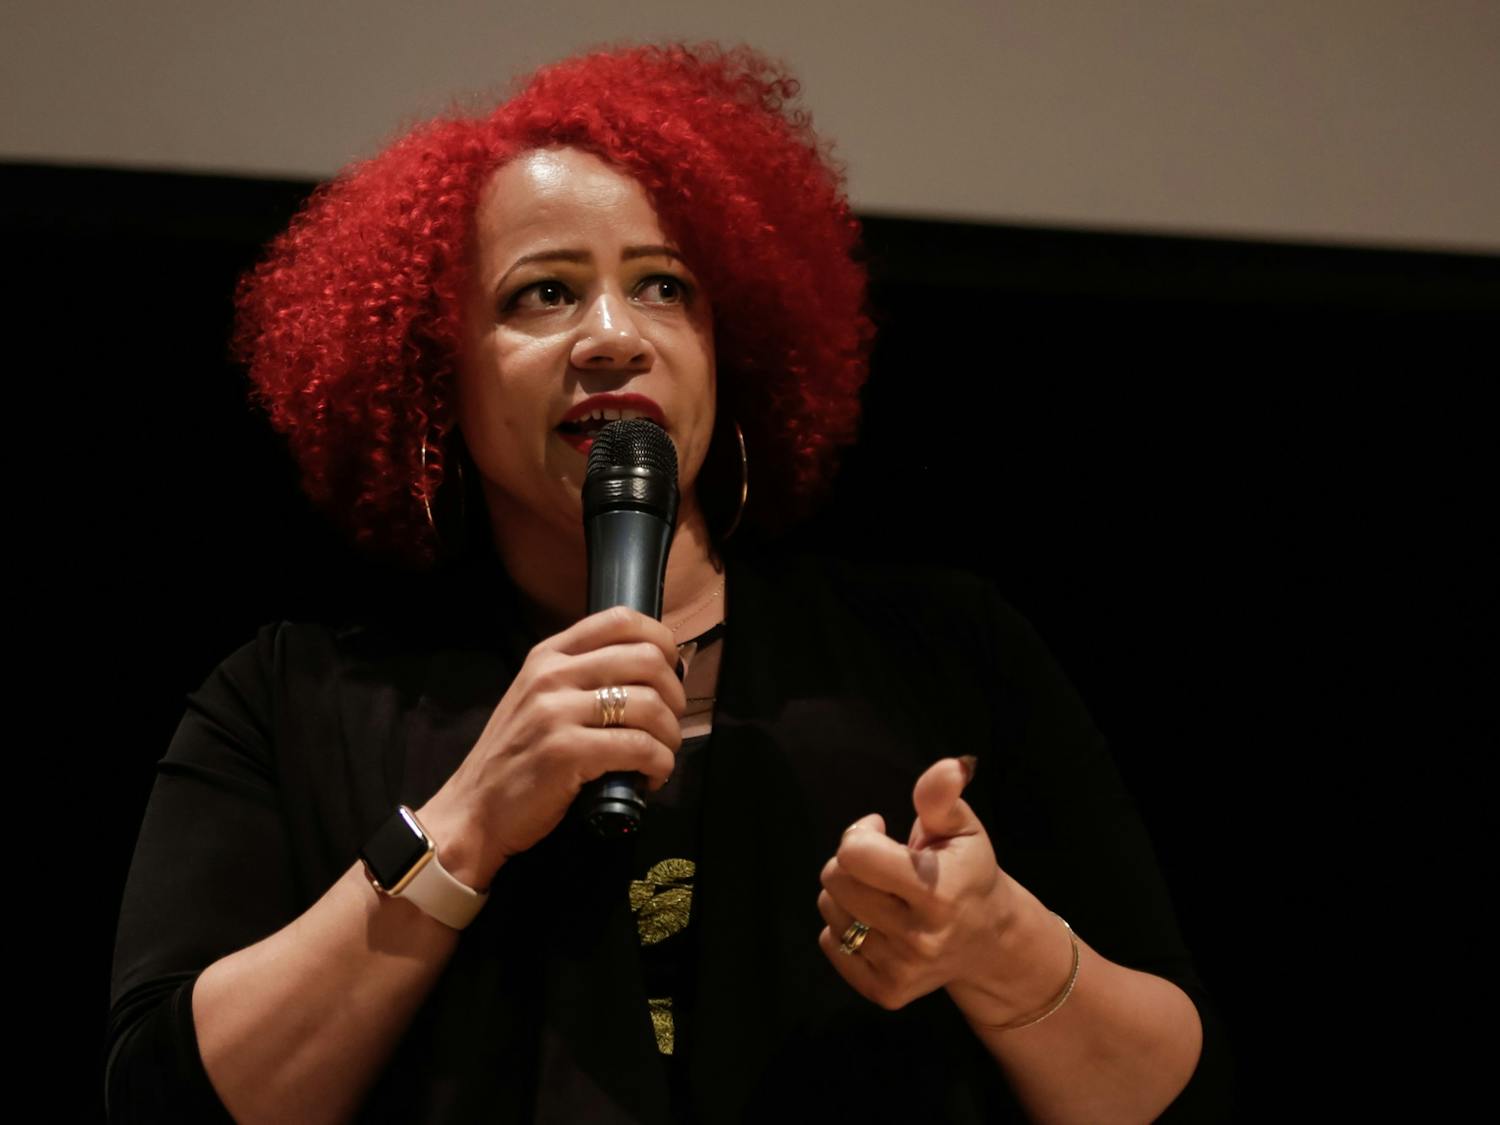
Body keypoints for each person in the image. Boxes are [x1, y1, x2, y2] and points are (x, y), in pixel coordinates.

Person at [108, 42, 1228, 1124]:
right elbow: (170, 1099)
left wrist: (996, 947)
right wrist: (462, 824)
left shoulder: (939, 654)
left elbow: (1169, 1089)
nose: (611, 337)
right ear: (431, 370)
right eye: (542, 295)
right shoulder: (293, 699)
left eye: (662, 287)